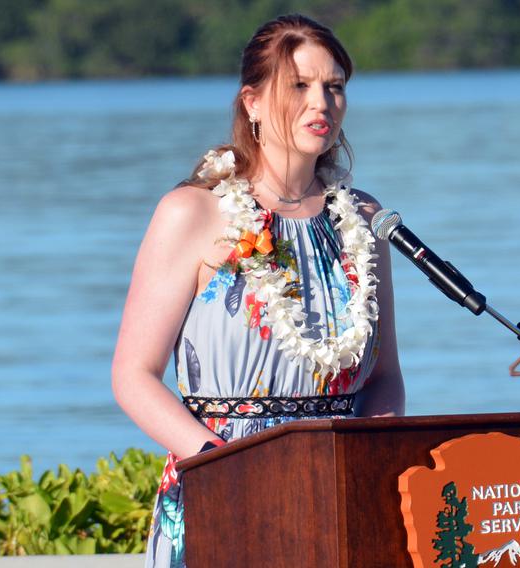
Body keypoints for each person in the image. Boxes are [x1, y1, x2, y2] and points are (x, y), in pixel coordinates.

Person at [111, 13, 405, 568]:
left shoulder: (362, 218)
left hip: (340, 491)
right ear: (252, 102)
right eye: (299, 85)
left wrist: (367, 463)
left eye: (334, 87)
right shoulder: (193, 212)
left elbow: (385, 377)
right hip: (224, 484)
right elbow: (132, 375)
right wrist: (227, 467)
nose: (322, 102)